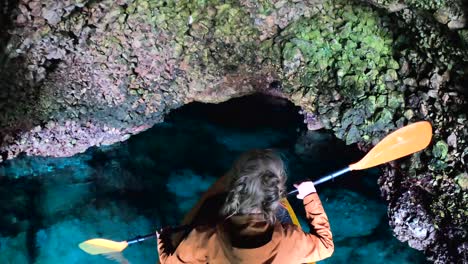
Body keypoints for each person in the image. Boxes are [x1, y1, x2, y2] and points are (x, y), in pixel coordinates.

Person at [157, 149, 334, 263]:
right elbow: (326, 246)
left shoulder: (204, 237)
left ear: (234, 187)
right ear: (275, 195)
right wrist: (310, 196)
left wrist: (163, 241)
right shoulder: (291, 239)